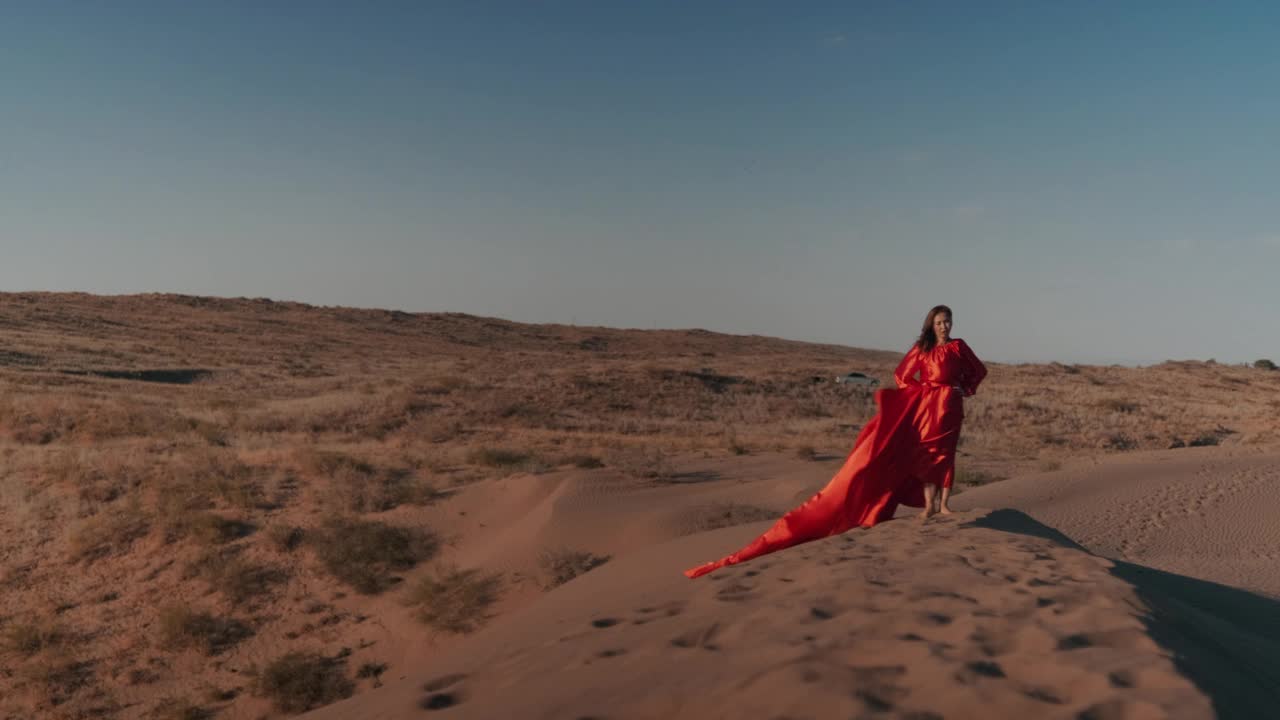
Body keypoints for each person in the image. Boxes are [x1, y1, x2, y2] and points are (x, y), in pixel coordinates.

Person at [684, 305, 986, 579]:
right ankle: (929, 506)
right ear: (931, 325)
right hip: (927, 406)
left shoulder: (959, 347)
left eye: (948, 322)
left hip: (951, 405)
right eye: (939, 322)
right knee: (927, 453)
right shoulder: (922, 348)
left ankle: (945, 505)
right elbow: (902, 375)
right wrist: (922, 392)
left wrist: (963, 388)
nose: (944, 326)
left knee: (947, 452)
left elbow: (979, 370)